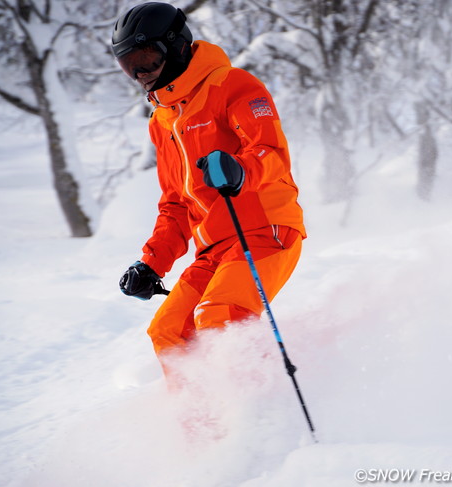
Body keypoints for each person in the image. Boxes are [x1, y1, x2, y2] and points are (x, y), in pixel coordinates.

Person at [112, 2, 306, 385]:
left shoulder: (233, 85)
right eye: (129, 65)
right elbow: (175, 203)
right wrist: (153, 263)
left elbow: (271, 152)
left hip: (265, 231)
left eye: (147, 60)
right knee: (167, 330)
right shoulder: (162, 120)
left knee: (218, 317)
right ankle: (202, 431)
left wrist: (240, 169)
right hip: (214, 247)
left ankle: (258, 412)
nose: (141, 74)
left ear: (177, 47)